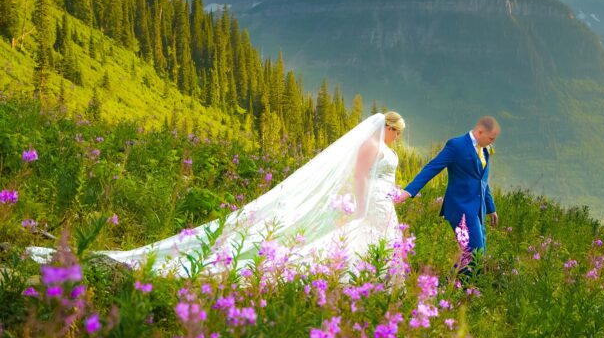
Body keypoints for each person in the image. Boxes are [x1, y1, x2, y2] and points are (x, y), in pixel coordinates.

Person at [27, 112, 407, 276]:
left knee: (377, 241)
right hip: (371, 201)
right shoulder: (369, 148)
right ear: (386, 128)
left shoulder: (383, 149)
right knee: (361, 236)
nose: (397, 138)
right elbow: (360, 178)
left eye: (400, 134)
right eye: (396, 132)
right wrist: (359, 205)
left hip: (383, 202)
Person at [394, 116, 499, 266]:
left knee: (476, 253)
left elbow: (482, 181)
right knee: (475, 252)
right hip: (460, 208)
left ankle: (455, 285)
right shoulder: (457, 145)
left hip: (478, 210)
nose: (492, 142)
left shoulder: (485, 151)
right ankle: (460, 286)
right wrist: (408, 192)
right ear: (480, 132)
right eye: (491, 138)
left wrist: (491, 208)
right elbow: (432, 167)